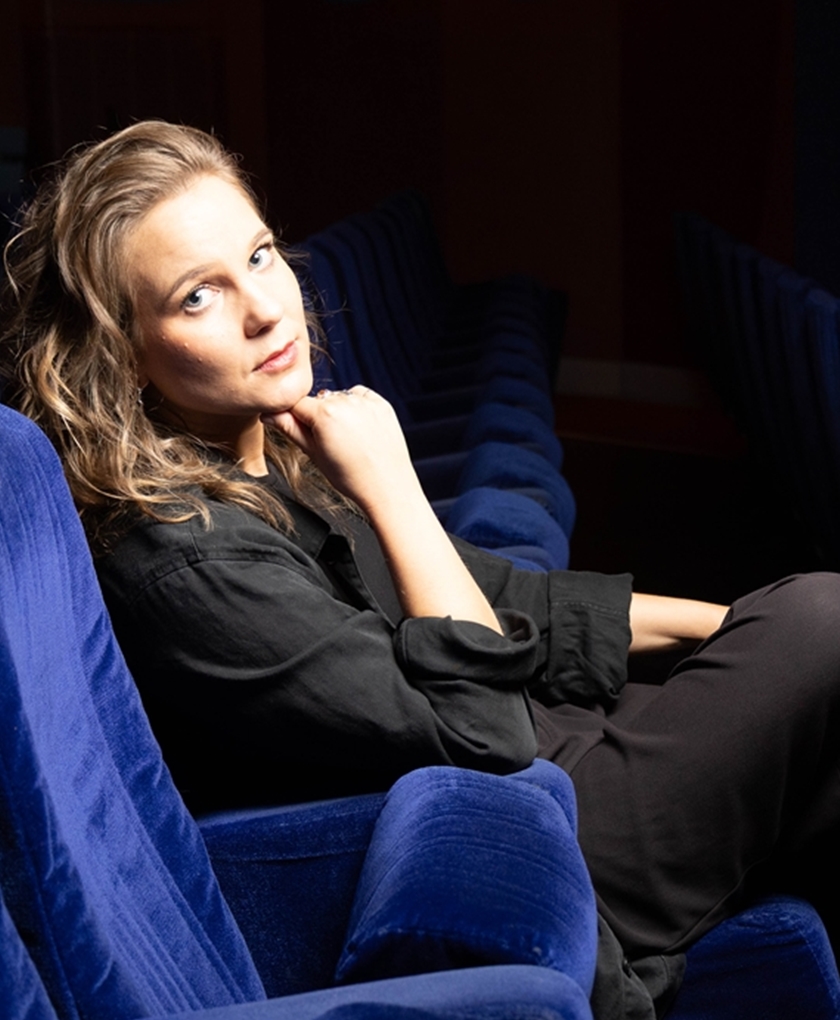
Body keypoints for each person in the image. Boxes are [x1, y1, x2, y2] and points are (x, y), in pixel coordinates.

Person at [3, 120, 840, 1016]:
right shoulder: (182, 560)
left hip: (546, 766)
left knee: (803, 660)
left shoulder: (267, 453)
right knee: (819, 620)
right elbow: (486, 734)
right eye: (198, 296)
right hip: (529, 839)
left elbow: (517, 599)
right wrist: (392, 485)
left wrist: (732, 627)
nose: (266, 309)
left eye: (259, 256)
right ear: (126, 352)